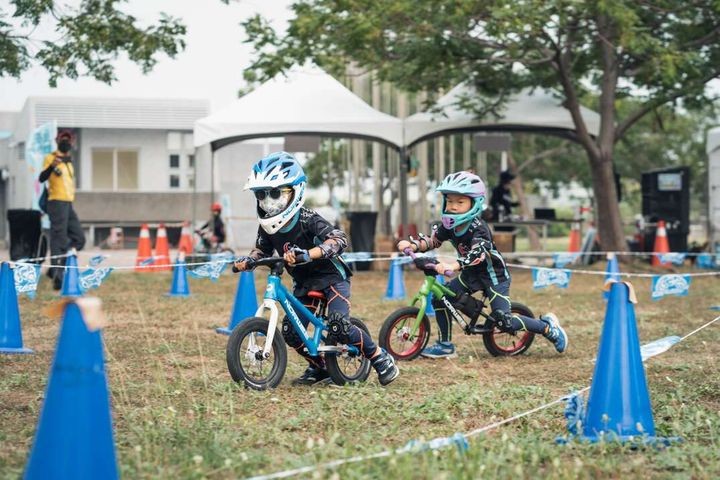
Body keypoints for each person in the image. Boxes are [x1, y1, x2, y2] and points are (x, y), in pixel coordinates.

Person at [232, 152, 399, 386]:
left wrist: (310, 253)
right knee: (291, 332)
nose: (268, 203)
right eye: (262, 195)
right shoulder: (268, 228)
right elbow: (261, 250)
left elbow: (339, 239)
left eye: (275, 194)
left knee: (339, 325)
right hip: (304, 282)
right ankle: (320, 367)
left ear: (295, 191)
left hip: (332, 278)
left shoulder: (308, 219)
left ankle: (380, 358)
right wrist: (248, 260)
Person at [397, 171, 567, 358]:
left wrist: (453, 266)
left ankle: (547, 327)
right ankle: (445, 345)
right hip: (471, 275)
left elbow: (477, 254)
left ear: (474, 203)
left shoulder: (479, 229)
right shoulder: (449, 225)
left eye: (459, 202)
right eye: (450, 201)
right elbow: (434, 241)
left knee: (504, 321)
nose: (453, 206)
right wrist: (413, 245)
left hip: (493, 276)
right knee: (440, 299)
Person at [38, 130, 85, 290]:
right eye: (63, 139)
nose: (66, 142)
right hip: (56, 202)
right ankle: (58, 277)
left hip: (68, 203)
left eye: (68, 140)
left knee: (79, 238)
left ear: (72, 143)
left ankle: (55, 269)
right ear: (57, 141)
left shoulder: (69, 161)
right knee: (58, 238)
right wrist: (52, 166)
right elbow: (42, 178)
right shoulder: (51, 157)